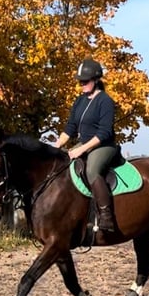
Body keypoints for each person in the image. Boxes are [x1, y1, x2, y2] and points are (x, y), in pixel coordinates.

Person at [55, 58, 117, 232]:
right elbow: (70, 128)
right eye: (79, 81)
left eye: (85, 81)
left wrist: (81, 149)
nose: (81, 84)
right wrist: (56, 146)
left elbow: (104, 133)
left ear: (96, 80)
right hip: (84, 143)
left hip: (104, 145)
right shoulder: (80, 100)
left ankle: (106, 217)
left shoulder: (105, 101)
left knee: (91, 170)